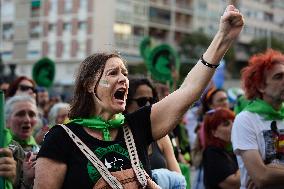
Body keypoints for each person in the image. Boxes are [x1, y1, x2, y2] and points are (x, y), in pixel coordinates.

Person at [34, 5, 243, 189]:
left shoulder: (136, 126)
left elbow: (187, 91)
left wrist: (223, 38)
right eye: (113, 73)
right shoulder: (61, 137)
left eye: (125, 73)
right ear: (89, 84)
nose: (124, 79)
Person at [231, 49, 284, 189]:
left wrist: (273, 171)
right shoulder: (245, 120)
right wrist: (265, 174)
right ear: (261, 86)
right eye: (279, 77)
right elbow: (261, 177)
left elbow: (265, 175)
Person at [125, 77, 186, 188]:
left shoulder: (162, 137)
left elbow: (179, 181)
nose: (148, 105)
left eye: (151, 101)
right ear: (126, 103)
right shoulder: (116, 137)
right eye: (142, 101)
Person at [203, 108, 240, 189]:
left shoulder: (229, 149)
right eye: (226, 124)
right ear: (214, 132)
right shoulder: (212, 153)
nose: (233, 125)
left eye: (233, 121)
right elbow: (234, 183)